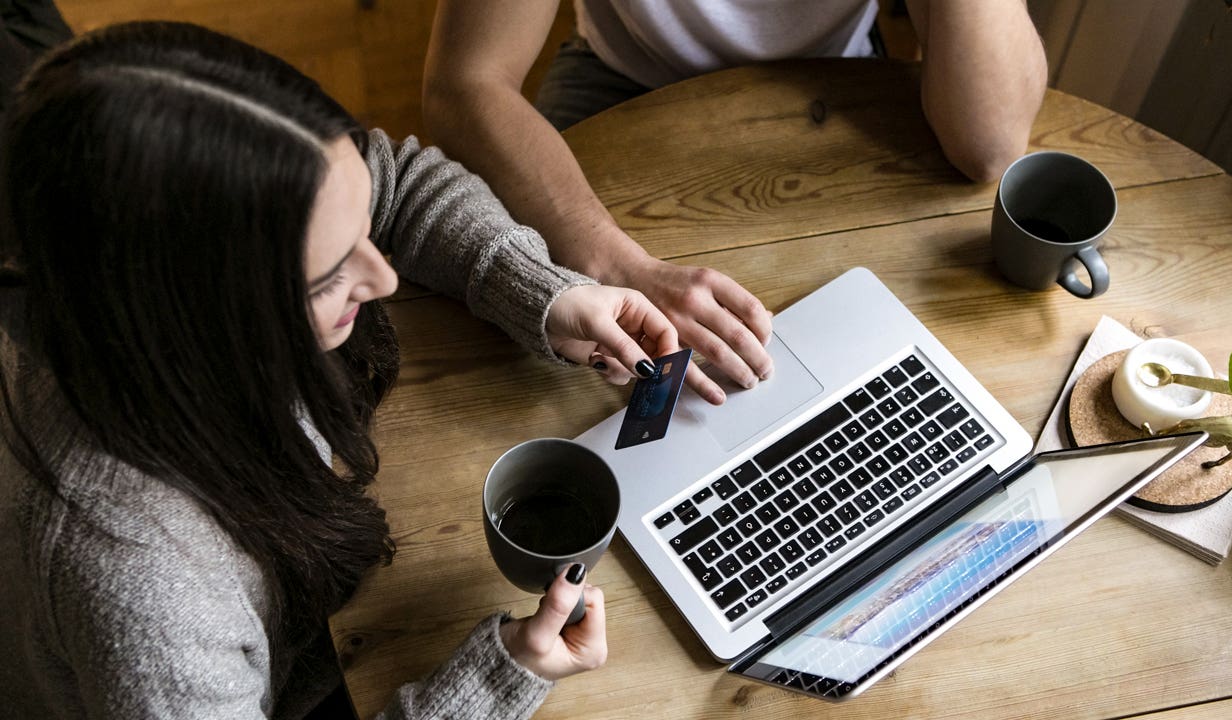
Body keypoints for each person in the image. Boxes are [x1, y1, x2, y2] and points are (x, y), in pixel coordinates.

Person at [0, 20, 682, 720]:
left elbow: (392, 183)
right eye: (329, 275)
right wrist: (503, 676)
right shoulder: (143, 590)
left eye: (362, 231)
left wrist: (544, 291)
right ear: (198, 322)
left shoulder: (246, 216)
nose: (382, 277)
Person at [421, 1, 1049, 405]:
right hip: (624, 76)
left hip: (835, 73)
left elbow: (988, 147)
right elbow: (464, 82)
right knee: (545, 388)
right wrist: (617, 263)